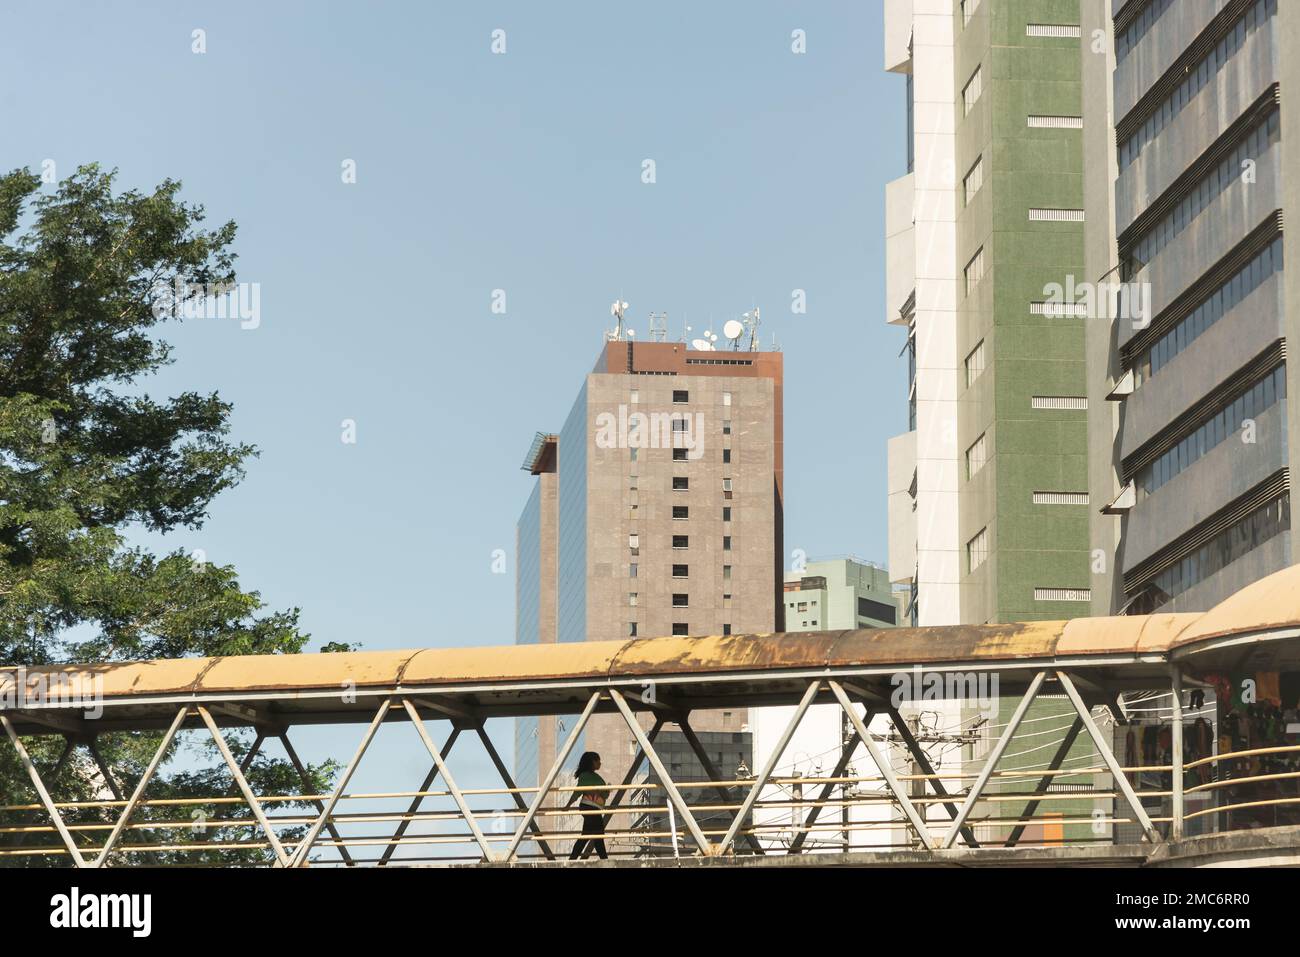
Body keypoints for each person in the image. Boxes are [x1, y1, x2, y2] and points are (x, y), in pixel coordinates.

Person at [566, 751, 609, 860]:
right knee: (598, 834)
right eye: (597, 761)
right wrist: (568, 805)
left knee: (588, 834)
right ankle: (604, 859)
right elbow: (578, 791)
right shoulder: (587, 776)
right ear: (592, 762)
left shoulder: (589, 776)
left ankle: (573, 859)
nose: (600, 763)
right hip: (590, 807)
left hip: (591, 807)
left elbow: (603, 793)